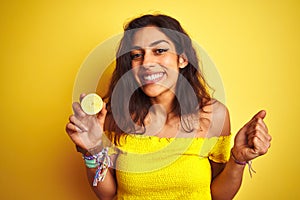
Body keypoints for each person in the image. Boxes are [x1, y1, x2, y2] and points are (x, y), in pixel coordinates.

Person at [66, 14, 271, 200]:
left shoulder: (214, 115)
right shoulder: (115, 115)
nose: (147, 62)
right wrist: (92, 151)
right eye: (137, 55)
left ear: (182, 59)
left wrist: (237, 160)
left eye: (160, 51)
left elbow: (218, 196)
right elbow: (109, 195)